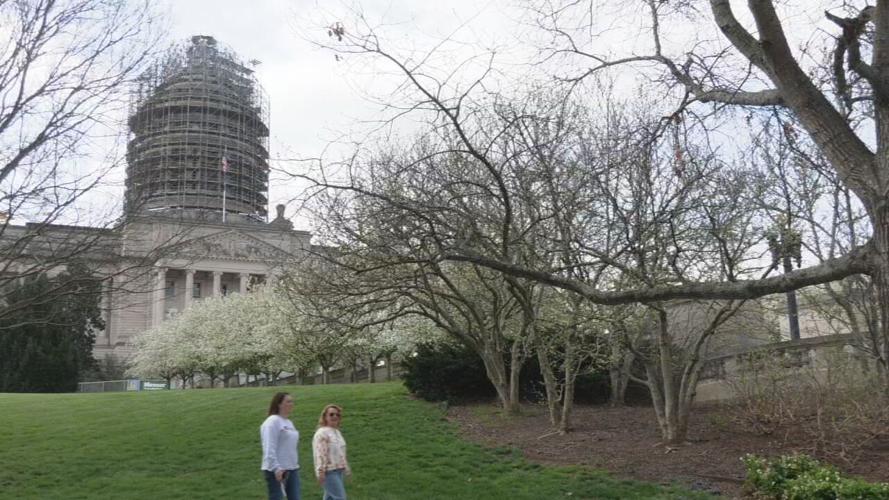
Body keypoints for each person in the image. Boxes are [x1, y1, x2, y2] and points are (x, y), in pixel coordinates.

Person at [260, 392, 301, 500]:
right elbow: (269, 447)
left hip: (292, 468)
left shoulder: (289, 423)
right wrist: (276, 468)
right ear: (279, 404)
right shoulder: (272, 422)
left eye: (292, 401)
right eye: (288, 401)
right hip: (277, 470)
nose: (291, 404)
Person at [312, 404, 350, 500]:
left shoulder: (337, 432)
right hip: (329, 471)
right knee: (340, 497)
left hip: (338, 470)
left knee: (330, 498)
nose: (335, 416)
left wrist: (346, 468)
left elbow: (341, 453)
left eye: (337, 415)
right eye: (331, 414)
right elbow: (320, 454)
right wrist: (321, 472)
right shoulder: (322, 433)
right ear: (325, 417)